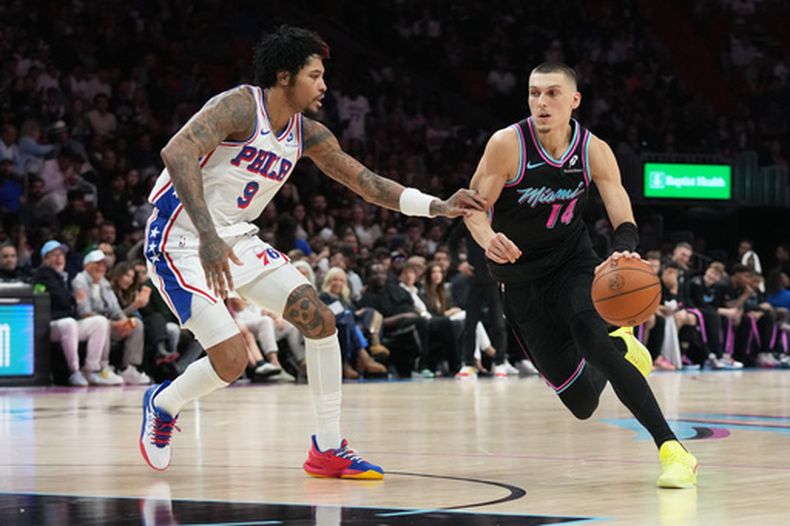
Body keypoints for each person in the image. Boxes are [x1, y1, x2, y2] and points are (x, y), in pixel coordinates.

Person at [138, 25, 485, 478]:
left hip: (237, 238)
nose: (324, 85)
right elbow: (177, 151)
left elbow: (368, 183)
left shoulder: (308, 134)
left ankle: (327, 447)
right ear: (285, 77)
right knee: (231, 361)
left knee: (320, 320)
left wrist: (437, 207)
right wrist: (207, 235)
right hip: (180, 239)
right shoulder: (240, 106)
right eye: (315, 75)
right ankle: (163, 404)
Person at [463, 62, 697, 488]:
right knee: (583, 403)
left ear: (574, 100)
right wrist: (487, 237)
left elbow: (619, 206)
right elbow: (474, 209)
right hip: (519, 280)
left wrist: (623, 247)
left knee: (595, 340)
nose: (541, 102)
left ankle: (673, 450)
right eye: (534, 93)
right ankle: (625, 345)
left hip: (574, 263)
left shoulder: (592, 149)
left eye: (552, 93)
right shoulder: (507, 145)